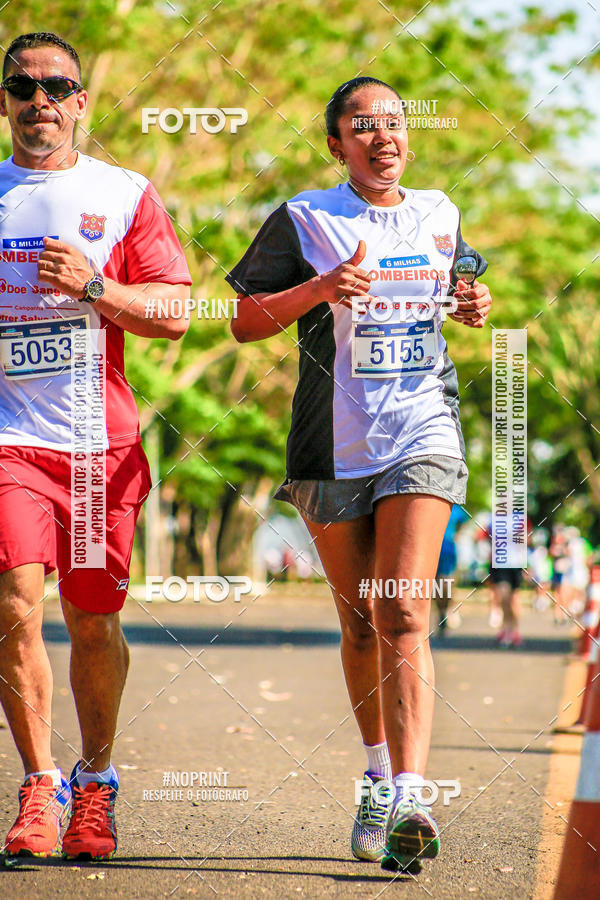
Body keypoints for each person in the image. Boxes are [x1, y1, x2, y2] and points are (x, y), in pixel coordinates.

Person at [226, 76, 491, 874]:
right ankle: (377, 776)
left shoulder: (438, 212)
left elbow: (462, 282)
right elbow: (241, 320)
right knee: (360, 625)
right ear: (337, 142)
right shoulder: (307, 218)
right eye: (363, 126)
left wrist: (473, 300)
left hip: (422, 430)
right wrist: (318, 287)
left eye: (395, 123)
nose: (383, 137)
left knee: (404, 609)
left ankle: (412, 794)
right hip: (331, 446)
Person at [0, 32, 192, 860]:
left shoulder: (124, 193)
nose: (39, 99)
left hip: (95, 445)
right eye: (22, 85)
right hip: (8, 440)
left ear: (82, 101)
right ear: (5, 99)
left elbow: (178, 315)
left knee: (91, 620)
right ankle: (40, 785)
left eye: (57, 86)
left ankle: (96, 783)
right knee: (14, 604)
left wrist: (93, 285)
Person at [435, 504, 468, 636]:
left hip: (446, 549)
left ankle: (443, 612)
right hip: (440, 548)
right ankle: (442, 612)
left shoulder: (454, 508)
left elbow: (461, 523)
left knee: (442, 583)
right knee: (440, 584)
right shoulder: (450, 506)